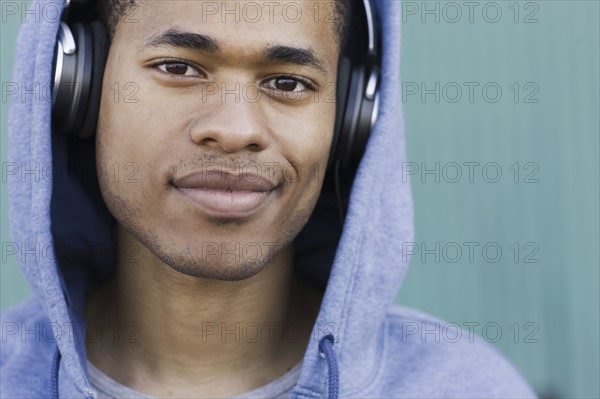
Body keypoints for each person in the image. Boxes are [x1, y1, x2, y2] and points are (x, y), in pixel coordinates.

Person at [0, 0, 537, 398]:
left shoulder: (464, 386)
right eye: (179, 68)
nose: (234, 130)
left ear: (352, 118)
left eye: (287, 81)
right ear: (78, 88)